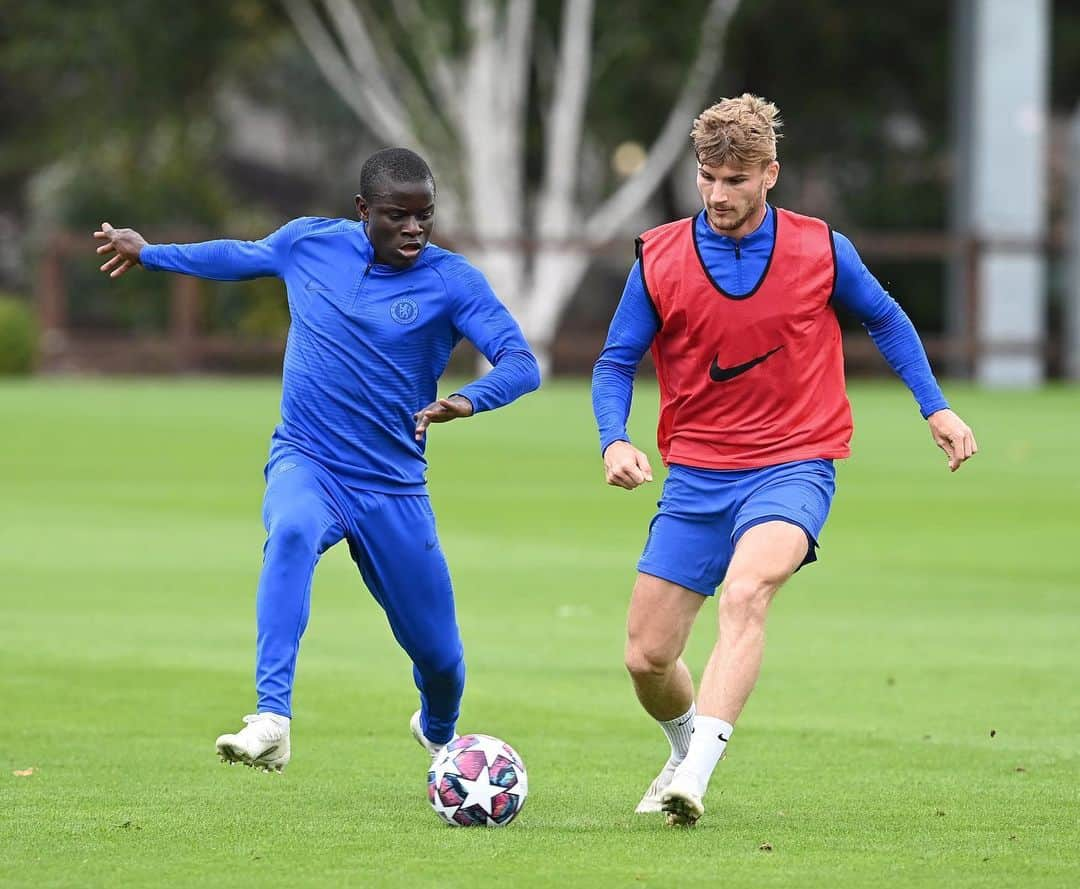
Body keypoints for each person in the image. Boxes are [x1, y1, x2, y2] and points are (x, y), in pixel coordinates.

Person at [591, 95, 977, 826]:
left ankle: (694, 778)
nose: (718, 194)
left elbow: (886, 317)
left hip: (794, 463)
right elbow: (615, 361)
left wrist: (936, 405)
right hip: (697, 475)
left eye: (735, 179)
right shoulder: (660, 254)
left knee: (746, 594)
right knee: (647, 657)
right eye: (707, 177)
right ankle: (682, 745)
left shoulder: (820, 247)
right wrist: (615, 435)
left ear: (770, 174)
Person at [94, 148, 541, 772]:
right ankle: (271, 717)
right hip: (308, 460)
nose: (413, 229)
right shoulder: (308, 243)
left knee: (440, 658)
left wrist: (466, 401)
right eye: (396, 216)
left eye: (425, 216)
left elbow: (523, 364)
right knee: (292, 530)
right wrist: (150, 253)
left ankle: (439, 728)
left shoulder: (451, 280)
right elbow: (235, 255)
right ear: (363, 211)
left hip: (393, 487)